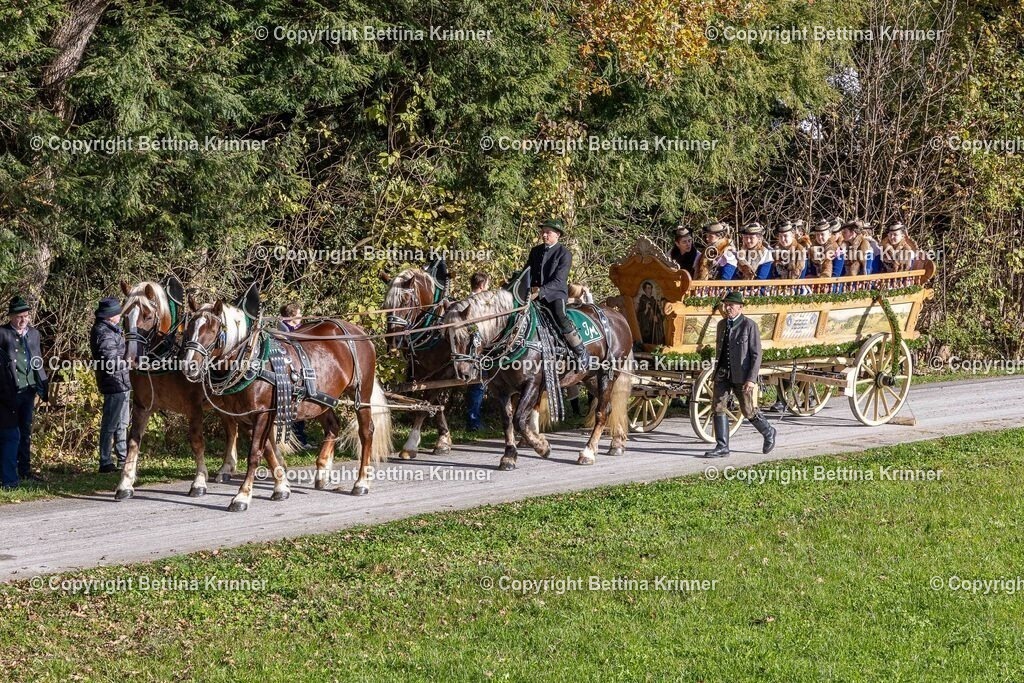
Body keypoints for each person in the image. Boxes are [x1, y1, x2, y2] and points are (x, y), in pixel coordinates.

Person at [701, 291, 777, 458]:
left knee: (748, 409)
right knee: (718, 406)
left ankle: (768, 431)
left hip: (742, 375)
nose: (728, 308)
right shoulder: (722, 325)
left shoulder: (749, 326)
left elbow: (756, 354)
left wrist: (751, 379)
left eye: (731, 305)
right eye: (726, 305)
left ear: (740, 307)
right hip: (722, 373)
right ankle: (722, 446)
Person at [526, 218, 591, 368]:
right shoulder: (535, 251)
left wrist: (540, 291)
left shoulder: (564, 254)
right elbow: (526, 272)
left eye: (547, 232)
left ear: (557, 234)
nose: (543, 235)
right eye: (543, 232)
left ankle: (581, 352)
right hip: (534, 294)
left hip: (555, 294)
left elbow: (559, 280)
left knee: (560, 315)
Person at [0, 296, 49, 489]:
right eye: (19, 316)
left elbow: (37, 360)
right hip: (9, 393)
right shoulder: (3, 334)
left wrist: (43, 386)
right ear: (11, 316)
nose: (23, 320)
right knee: (11, 434)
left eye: (26, 316)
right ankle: (9, 477)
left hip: (29, 391)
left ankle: (24, 471)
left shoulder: (34, 334)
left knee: (25, 432)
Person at [90, 296, 131, 473]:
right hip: (113, 382)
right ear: (110, 316)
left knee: (122, 423)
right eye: (117, 313)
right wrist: (131, 363)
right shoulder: (103, 332)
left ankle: (123, 458)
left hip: (122, 382)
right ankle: (105, 461)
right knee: (111, 424)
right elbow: (110, 361)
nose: (120, 315)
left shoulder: (112, 330)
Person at [278, 303, 311, 449]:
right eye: (299, 314)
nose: (301, 316)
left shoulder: (295, 328)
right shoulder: (285, 329)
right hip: (292, 368)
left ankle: (300, 440)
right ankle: (298, 441)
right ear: (292, 316)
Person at [466, 273, 490, 431]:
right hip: (478, 350)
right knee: (478, 385)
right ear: (482, 286)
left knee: (475, 387)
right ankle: (473, 422)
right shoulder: (481, 303)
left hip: (468, 350)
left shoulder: (465, 301)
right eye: (487, 284)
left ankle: (473, 419)